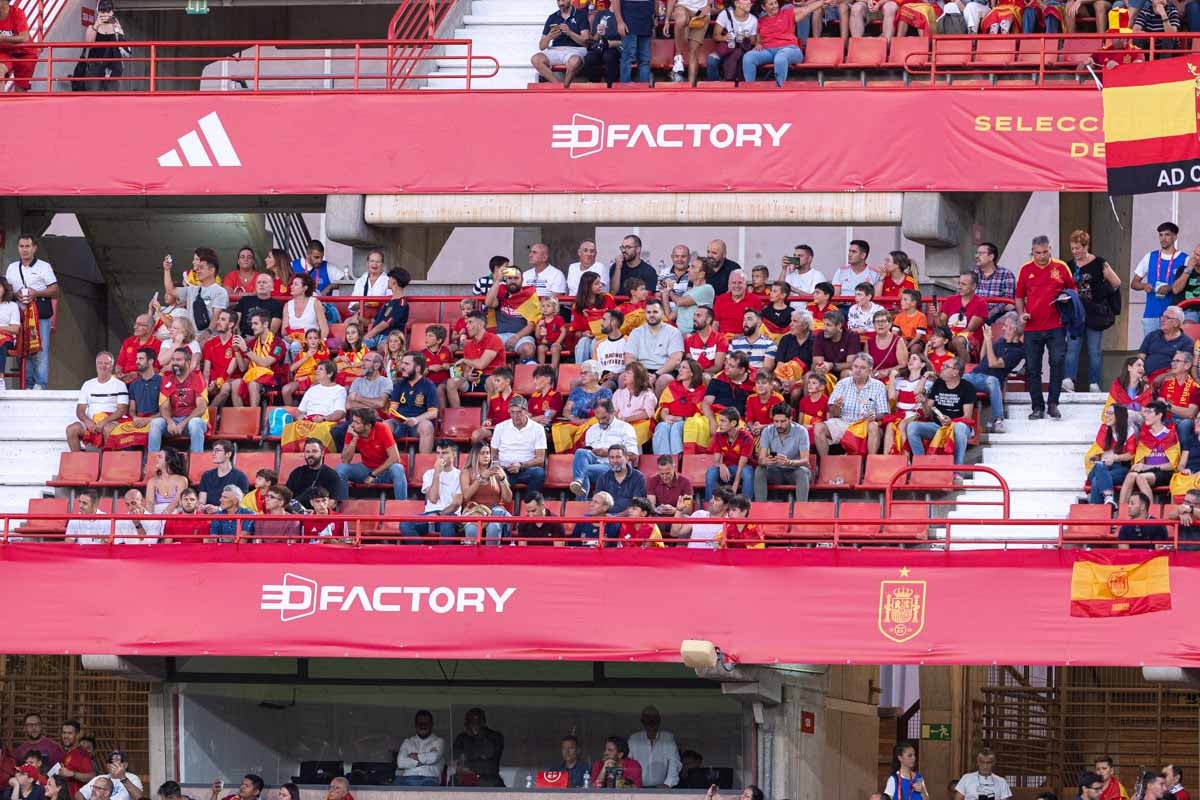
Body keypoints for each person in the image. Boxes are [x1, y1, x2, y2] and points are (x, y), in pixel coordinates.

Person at [1017, 235, 1076, 421]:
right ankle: (1037, 407)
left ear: (1050, 249)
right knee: (1033, 368)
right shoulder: (1025, 269)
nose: (1041, 256)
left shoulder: (1061, 267)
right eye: (1037, 253)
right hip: (1032, 327)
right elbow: (1019, 296)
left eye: (1045, 252)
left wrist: (1066, 298)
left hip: (1056, 325)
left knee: (1057, 363)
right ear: (1032, 252)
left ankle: (1053, 404)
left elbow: (1073, 289)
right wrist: (1021, 314)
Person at [1066, 230, 1121, 393]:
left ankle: (1094, 383)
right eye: (1073, 248)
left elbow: (1116, 282)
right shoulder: (1069, 265)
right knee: (1072, 348)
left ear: (1086, 246)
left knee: (1094, 350)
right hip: (1075, 312)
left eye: (1078, 248)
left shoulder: (1099, 263)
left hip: (1094, 312)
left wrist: (1101, 293)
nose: (1075, 252)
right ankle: (1068, 380)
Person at [6, 234, 57, 389]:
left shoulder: (44, 266)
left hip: (39, 315)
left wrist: (36, 293)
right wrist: (16, 295)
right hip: (18, 316)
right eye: (21, 246)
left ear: (34, 248)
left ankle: (40, 384)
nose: (24, 250)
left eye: (27, 246)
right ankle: (27, 384)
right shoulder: (12, 267)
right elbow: (6, 291)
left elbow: (54, 290)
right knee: (24, 349)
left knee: (41, 349)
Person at [814, 353, 888, 457]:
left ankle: (870, 464)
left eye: (862, 368)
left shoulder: (879, 386)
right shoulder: (842, 383)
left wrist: (874, 416)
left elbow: (883, 413)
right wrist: (836, 407)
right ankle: (825, 464)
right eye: (855, 366)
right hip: (843, 422)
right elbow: (833, 413)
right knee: (818, 427)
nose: (858, 370)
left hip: (864, 424)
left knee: (873, 426)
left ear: (870, 370)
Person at [907, 356, 976, 465]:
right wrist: (924, 402)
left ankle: (957, 469)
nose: (941, 368)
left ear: (955, 372)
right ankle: (920, 465)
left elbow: (967, 417)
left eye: (945, 366)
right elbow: (927, 413)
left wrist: (951, 422)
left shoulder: (967, 387)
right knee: (912, 427)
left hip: (959, 427)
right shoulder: (938, 384)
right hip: (938, 426)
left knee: (959, 427)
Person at [569, 399, 640, 497]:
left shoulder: (625, 428)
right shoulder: (591, 430)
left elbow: (633, 455)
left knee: (583, 470)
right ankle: (578, 482)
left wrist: (608, 453)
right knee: (581, 452)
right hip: (595, 462)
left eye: (604, 418)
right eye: (598, 419)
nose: (601, 421)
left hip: (614, 466)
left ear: (613, 412)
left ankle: (579, 504)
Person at [1118, 400, 1184, 505]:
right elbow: (1140, 460)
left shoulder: (1171, 435)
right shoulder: (1145, 436)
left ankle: (1150, 515)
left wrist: (1146, 467)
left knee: (1141, 477)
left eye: (1149, 412)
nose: (1145, 415)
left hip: (1165, 473)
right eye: (1145, 412)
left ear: (1159, 415)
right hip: (1148, 471)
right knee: (1131, 476)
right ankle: (1121, 516)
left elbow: (1172, 465)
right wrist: (1139, 465)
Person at [1131, 222, 1187, 339]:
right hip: (1151, 313)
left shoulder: (1185, 259)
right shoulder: (1150, 257)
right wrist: (1144, 286)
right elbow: (1134, 283)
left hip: (1174, 315)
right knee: (1150, 351)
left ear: (1175, 237)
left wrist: (1171, 287)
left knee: (1173, 351)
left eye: (1167, 235)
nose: (1163, 239)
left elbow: (1187, 286)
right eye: (1161, 235)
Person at [66, 352, 129, 451]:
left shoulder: (120, 385)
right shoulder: (87, 384)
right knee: (72, 429)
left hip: (111, 421)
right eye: (100, 363)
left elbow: (122, 410)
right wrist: (88, 422)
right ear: (96, 365)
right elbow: (80, 410)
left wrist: (104, 421)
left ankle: (109, 462)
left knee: (108, 429)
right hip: (91, 422)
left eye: (106, 363)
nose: (103, 366)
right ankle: (80, 461)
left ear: (112, 366)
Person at [401, 440, 462, 543]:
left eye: (445, 453)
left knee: (446, 524)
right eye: (438, 453)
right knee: (405, 524)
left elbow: (456, 504)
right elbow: (433, 499)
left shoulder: (460, 475)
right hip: (429, 514)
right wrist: (437, 473)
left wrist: (439, 515)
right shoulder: (429, 474)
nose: (440, 456)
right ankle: (422, 554)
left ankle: (444, 557)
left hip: (450, 515)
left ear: (454, 455)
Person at [150, 347, 209, 453]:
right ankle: (153, 461)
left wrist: (183, 424)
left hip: (193, 421)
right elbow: (164, 407)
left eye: (178, 360)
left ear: (188, 362)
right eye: (173, 360)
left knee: (194, 423)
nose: (174, 363)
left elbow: (201, 408)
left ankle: (196, 460)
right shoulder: (167, 379)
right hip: (174, 421)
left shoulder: (197, 377)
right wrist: (170, 421)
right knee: (156, 423)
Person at [162, 250, 228, 343]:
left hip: (210, 339)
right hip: (190, 339)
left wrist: (207, 334)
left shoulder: (220, 292)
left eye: (201, 268)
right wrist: (167, 270)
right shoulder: (192, 289)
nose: (197, 270)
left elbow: (216, 316)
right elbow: (170, 290)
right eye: (198, 268)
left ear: (212, 270)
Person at [754, 402, 811, 502]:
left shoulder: (801, 431)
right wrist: (765, 461)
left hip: (794, 471)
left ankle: (802, 510)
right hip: (776, 471)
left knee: (803, 472)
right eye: (776, 421)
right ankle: (760, 507)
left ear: (790, 419)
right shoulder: (767, 431)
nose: (779, 425)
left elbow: (805, 461)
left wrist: (789, 462)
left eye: (783, 421)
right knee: (760, 470)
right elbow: (761, 459)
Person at [626, 299, 685, 396]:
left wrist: (656, 374)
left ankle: (656, 409)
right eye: (648, 312)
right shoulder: (636, 332)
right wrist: (639, 374)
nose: (651, 315)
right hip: (641, 370)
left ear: (662, 313)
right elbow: (629, 357)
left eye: (655, 312)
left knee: (665, 380)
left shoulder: (674, 332)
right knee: (623, 377)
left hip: (664, 370)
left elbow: (676, 359)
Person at [331, 352, 392, 444]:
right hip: (355, 420)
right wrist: (372, 407)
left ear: (376, 365)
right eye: (362, 360)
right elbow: (349, 404)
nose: (362, 364)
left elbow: (381, 403)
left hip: (374, 421)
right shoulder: (357, 381)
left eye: (367, 361)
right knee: (336, 431)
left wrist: (359, 398)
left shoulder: (385, 382)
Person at [552, 360, 613, 452]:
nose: (582, 375)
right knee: (559, 429)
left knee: (588, 428)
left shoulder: (605, 392)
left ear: (596, 375)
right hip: (575, 422)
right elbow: (566, 410)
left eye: (585, 373)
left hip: (594, 423)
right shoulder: (577, 391)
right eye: (581, 373)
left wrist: (586, 421)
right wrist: (573, 418)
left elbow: (606, 412)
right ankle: (564, 457)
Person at [229, 311, 286, 408]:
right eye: (252, 324)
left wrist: (246, 350)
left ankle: (253, 417)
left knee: (253, 384)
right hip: (253, 376)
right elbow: (243, 368)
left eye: (256, 324)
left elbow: (265, 363)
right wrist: (237, 351)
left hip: (273, 378)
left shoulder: (278, 343)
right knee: (235, 383)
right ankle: (241, 417)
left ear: (265, 324)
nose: (252, 327)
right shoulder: (252, 343)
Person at [491, 396, 547, 494]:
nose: (515, 416)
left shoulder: (538, 429)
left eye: (519, 412)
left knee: (539, 473)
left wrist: (521, 465)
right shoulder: (500, 427)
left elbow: (540, 459)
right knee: (495, 476)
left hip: (526, 469)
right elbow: (493, 454)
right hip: (505, 469)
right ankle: (502, 504)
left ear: (526, 412)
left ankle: (530, 504)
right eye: (512, 412)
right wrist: (498, 466)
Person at [653, 357, 709, 455]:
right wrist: (666, 417)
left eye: (684, 367)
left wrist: (679, 418)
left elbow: (698, 416)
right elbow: (664, 407)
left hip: (687, 423)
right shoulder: (672, 386)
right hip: (669, 421)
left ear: (692, 373)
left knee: (676, 427)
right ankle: (663, 459)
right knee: (662, 426)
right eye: (680, 367)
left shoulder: (701, 391)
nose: (680, 370)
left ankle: (679, 459)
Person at [459, 442, 512, 544]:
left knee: (494, 527)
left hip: (494, 512)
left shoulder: (497, 471)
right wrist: (481, 478)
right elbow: (466, 495)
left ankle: (491, 558)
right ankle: (472, 557)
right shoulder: (467, 472)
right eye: (482, 453)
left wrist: (502, 479)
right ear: (475, 455)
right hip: (475, 511)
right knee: (471, 530)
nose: (486, 456)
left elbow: (508, 499)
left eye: (488, 453)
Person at [486, 267, 539, 365]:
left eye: (516, 278)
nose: (513, 281)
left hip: (522, 336)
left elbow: (531, 325)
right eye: (510, 278)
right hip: (500, 336)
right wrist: (497, 281)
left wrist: (516, 336)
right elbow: (489, 303)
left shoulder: (529, 296)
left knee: (528, 349)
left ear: (522, 280)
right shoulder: (501, 293)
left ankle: (522, 378)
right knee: (486, 348)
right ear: (506, 279)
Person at [388, 352, 438, 454]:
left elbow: (433, 412)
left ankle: (424, 464)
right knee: (384, 426)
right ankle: (385, 463)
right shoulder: (399, 384)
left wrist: (416, 420)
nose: (402, 366)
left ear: (418, 368)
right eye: (402, 363)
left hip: (418, 424)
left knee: (427, 426)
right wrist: (393, 414)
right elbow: (393, 408)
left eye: (406, 364)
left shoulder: (428, 385)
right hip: (400, 422)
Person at [1085, 404, 1133, 506]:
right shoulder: (1104, 429)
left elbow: (1131, 455)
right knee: (1099, 466)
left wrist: (1115, 457)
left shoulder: (1129, 431)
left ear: (1119, 415)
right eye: (1106, 412)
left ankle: (1096, 510)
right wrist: (1095, 457)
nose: (1106, 415)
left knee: (1096, 480)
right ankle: (1108, 497)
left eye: (1110, 413)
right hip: (1102, 467)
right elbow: (1099, 450)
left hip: (1120, 468)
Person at [705, 407, 754, 499]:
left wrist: (735, 485)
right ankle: (710, 505)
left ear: (733, 423)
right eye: (719, 420)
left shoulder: (747, 438)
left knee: (747, 472)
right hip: (727, 468)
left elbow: (742, 464)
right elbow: (716, 460)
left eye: (723, 421)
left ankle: (745, 503)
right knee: (711, 472)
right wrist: (721, 465)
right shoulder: (718, 435)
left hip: (742, 468)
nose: (719, 424)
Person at [202, 310, 246, 412]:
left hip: (230, 379)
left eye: (222, 319)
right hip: (213, 380)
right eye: (218, 319)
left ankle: (207, 413)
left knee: (225, 388)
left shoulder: (237, 342)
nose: (218, 322)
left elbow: (231, 370)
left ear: (231, 324)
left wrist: (218, 382)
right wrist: (205, 385)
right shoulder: (210, 343)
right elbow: (206, 370)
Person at [627, 707, 680, 789]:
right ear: (642, 720)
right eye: (647, 717)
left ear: (659, 720)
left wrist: (668, 784)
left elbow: (674, 763)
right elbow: (627, 763)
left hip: (661, 789)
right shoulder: (634, 739)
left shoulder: (668, 738)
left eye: (654, 717)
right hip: (637, 788)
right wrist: (630, 783)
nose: (651, 720)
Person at [285, 438, 348, 506]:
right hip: (295, 514)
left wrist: (314, 512)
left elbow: (332, 503)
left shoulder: (332, 475)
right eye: (307, 452)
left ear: (322, 453)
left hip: (319, 515)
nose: (310, 455)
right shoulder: (296, 473)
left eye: (314, 451)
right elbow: (285, 498)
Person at [451, 708, 504, 787]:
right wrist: (478, 755)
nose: (472, 726)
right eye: (470, 722)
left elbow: (489, 753)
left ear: (483, 723)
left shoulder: (495, 736)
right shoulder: (462, 737)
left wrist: (478, 734)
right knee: (453, 782)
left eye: (476, 723)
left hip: (488, 779)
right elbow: (455, 757)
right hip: (465, 778)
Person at [662, 255, 713, 336]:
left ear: (701, 274)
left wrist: (670, 291)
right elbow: (670, 317)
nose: (688, 269)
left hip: (694, 335)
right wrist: (665, 294)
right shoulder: (686, 294)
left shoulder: (707, 289)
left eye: (692, 267)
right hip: (679, 335)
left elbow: (679, 302)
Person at [1138, 305, 1192, 380]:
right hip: (1145, 377)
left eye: (1167, 318)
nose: (1162, 320)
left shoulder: (1186, 342)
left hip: (1169, 379)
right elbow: (1141, 357)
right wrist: (1141, 374)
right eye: (1162, 317)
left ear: (1176, 323)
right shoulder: (1152, 335)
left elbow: (1182, 367)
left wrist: (1161, 378)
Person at [707, 0, 758, 80]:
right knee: (711, 60)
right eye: (746, 0)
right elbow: (716, 36)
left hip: (742, 51)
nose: (749, 2)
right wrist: (724, 37)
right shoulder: (725, 14)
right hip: (726, 48)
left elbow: (753, 41)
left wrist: (745, 37)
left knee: (742, 59)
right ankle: (715, 85)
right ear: (737, 3)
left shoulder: (753, 20)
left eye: (750, 0)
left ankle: (739, 87)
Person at [281, 273, 329, 357]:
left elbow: (324, 330)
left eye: (296, 284)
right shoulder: (287, 305)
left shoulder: (315, 303)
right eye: (292, 284)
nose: (291, 286)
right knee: (284, 346)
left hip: (311, 341)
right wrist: (289, 339)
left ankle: (294, 369)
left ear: (305, 288)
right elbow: (284, 332)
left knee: (295, 346)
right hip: (293, 340)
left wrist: (317, 342)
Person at [363, 269, 411, 349]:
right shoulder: (388, 302)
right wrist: (359, 319)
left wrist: (368, 335)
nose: (388, 280)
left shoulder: (402, 304)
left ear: (394, 281)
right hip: (376, 337)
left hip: (389, 338)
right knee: (354, 347)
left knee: (381, 348)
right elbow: (374, 320)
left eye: (390, 278)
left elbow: (386, 323)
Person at [395, 710, 445, 787]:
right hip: (406, 779)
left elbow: (433, 757)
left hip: (429, 779)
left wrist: (414, 757)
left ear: (431, 725)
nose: (423, 726)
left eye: (426, 723)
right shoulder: (407, 742)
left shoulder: (439, 741)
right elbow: (400, 762)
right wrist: (422, 761)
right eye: (420, 723)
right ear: (415, 725)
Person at [971, 242, 1017, 322]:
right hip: (974, 313)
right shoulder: (972, 274)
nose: (976, 256)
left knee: (1012, 315)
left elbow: (1007, 301)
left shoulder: (1006, 274)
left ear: (991, 257)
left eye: (981, 253)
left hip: (996, 314)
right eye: (976, 253)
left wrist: (990, 313)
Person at [612, 0, 653, 83]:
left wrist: (656, 15)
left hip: (646, 20)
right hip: (629, 21)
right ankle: (624, 87)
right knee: (628, 57)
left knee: (645, 59)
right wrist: (620, 22)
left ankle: (644, 88)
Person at [812, 310, 862, 379]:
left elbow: (852, 364)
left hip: (843, 371)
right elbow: (818, 363)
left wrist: (831, 365)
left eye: (828, 325)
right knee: (809, 376)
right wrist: (822, 367)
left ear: (839, 326)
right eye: (824, 324)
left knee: (847, 373)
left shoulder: (851, 336)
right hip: (826, 372)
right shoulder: (819, 336)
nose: (824, 328)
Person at [684, 306, 729, 380]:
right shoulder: (688, 340)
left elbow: (718, 366)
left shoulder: (721, 339)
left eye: (698, 315)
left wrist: (702, 372)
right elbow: (690, 364)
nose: (694, 318)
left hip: (713, 377)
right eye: (694, 315)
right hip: (693, 375)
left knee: (706, 377)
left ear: (708, 320)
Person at [610, 236, 658, 302]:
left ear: (638, 249)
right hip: (618, 309)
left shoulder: (649, 271)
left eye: (628, 247)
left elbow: (646, 298)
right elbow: (612, 293)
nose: (624, 250)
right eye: (622, 247)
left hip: (638, 309)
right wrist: (618, 268)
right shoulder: (616, 267)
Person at [234, 274, 283, 338]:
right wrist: (239, 337)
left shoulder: (277, 305)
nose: (261, 284)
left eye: (264, 282)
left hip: (264, 341)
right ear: (255, 286)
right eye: (259, 282)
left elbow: (272, 331)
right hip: (242, 339)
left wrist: (254, 340)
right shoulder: (244, 300)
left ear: (272, 287)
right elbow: (235, 323)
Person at [55, 722, 95, 798]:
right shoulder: (67, 752)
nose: (66, 736)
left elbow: (92, 776)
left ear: (78, 735)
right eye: (64, 733)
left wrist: (73, 774)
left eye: (70, 733)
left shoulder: (82, 753)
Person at [146, 448, 188, 513]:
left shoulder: (181, 480)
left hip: (175, 513)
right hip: (157, 514)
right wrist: (150, 519)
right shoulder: (152, 481)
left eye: (160, 457)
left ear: (168, 460)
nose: (156, 459)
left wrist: (165, 514)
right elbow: (150, 502)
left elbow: (176, 502)